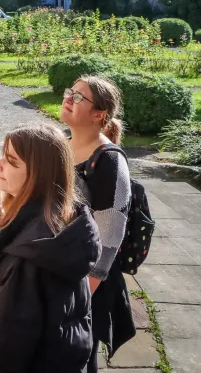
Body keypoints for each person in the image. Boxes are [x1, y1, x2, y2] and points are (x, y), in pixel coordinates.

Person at [0, 124, 101, 373]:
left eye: (11, 161)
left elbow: (5, 356)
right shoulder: (66, 223)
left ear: (38, 174)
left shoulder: (30, 255)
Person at [61, 76, 135, 371]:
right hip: (60, 264)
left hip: (89, 279)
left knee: (79, 353)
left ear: (99, 114)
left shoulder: (108, 162)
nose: (69, 98)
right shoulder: (62, 145)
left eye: (79, 97)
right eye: (70, 92)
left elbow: (111, 234)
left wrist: (85, 290)